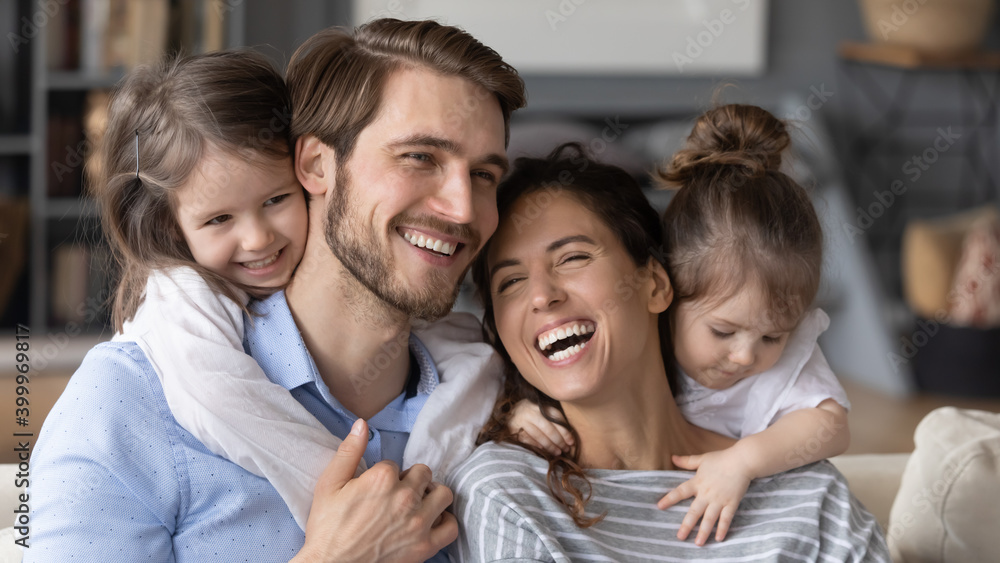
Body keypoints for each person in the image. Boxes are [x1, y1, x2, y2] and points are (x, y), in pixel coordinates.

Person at [25, 18, 525, 563]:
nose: (462, 208)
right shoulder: (131, 401)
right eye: (420, 157)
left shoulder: (498, 403)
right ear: (315, 164)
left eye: (483, 175)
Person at [449, 141, 889, 561]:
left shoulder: (805, 494)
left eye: (573, 258)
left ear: (656, 284)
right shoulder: (506, 493)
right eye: (510, 282)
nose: (541, 296)